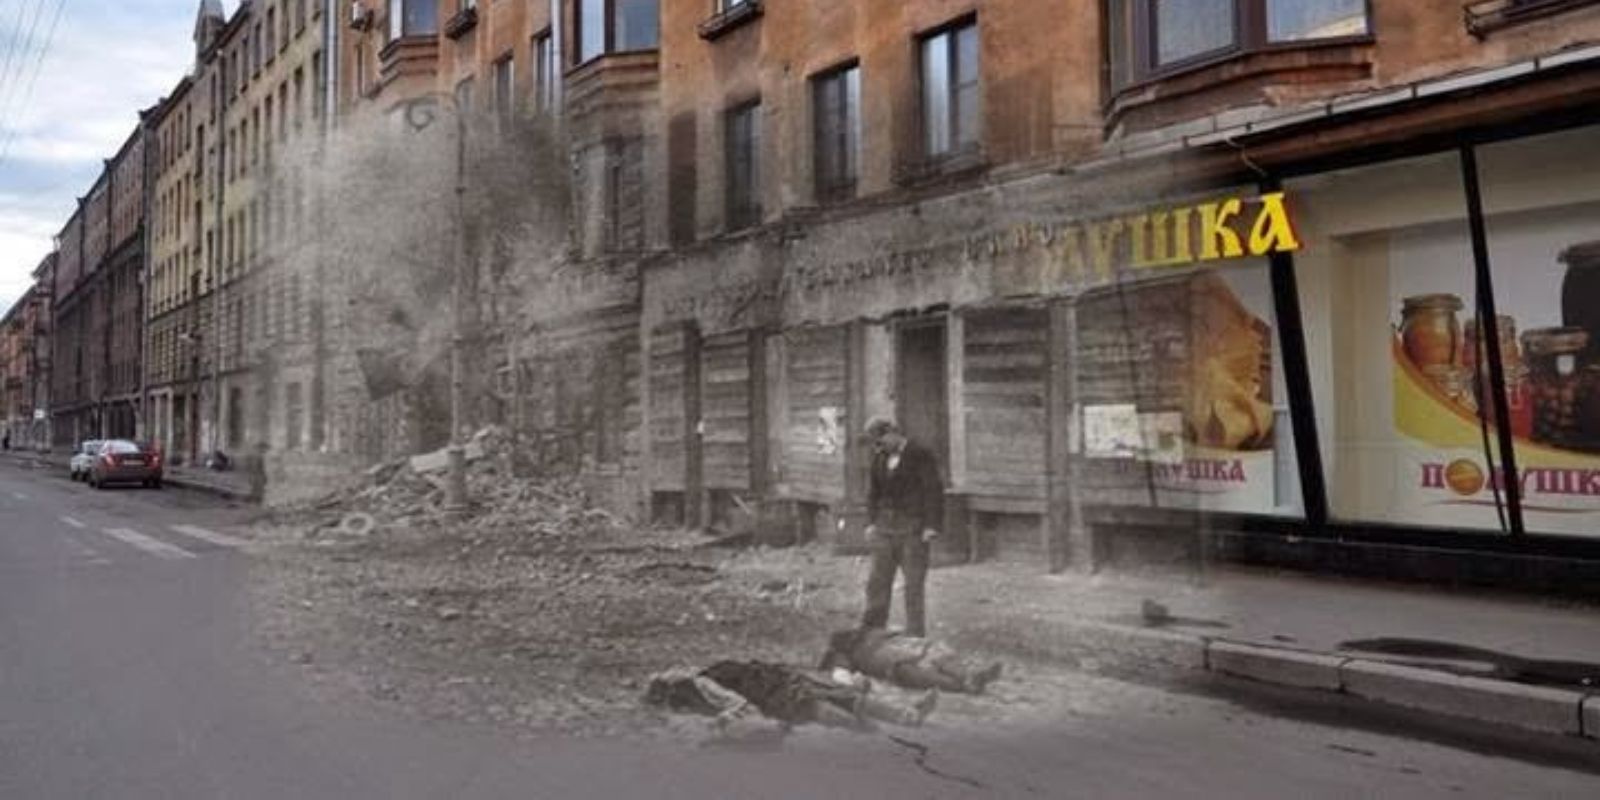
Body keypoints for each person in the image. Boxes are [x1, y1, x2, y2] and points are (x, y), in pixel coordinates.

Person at [644, 659, 936, 731]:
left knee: (830, 695)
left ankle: (906, 716)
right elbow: (734, 701)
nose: (675, 668)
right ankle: (897, 719)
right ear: (671, 684)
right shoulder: (700, 682)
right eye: (668, 673)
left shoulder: (700, 684)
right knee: (819, 701)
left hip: (773, 684)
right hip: (770, 691)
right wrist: (733, 714)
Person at [860, 416, 943, 638]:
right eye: (875, 444)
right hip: (884, 530)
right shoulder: (879, 458)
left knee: (914, 584)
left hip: (912, 530)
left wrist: (931, 525)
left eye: (881, 441)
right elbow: (873, 493)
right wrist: (871, 522)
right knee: (877, 582)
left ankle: (915, 634)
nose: (879, 447)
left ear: (893, 433)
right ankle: (872, 631)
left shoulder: (920, 454)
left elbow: (933, 491)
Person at [821, 627, 1004, 695]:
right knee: (915, 672)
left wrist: (908, 641)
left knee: (935, 655)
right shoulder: (843, 654)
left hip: (905, 648)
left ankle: (968, 677)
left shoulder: (870, 632)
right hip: (892, 664)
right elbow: (841, 673)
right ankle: (965, 684)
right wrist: (854, 682)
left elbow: (899, 632)